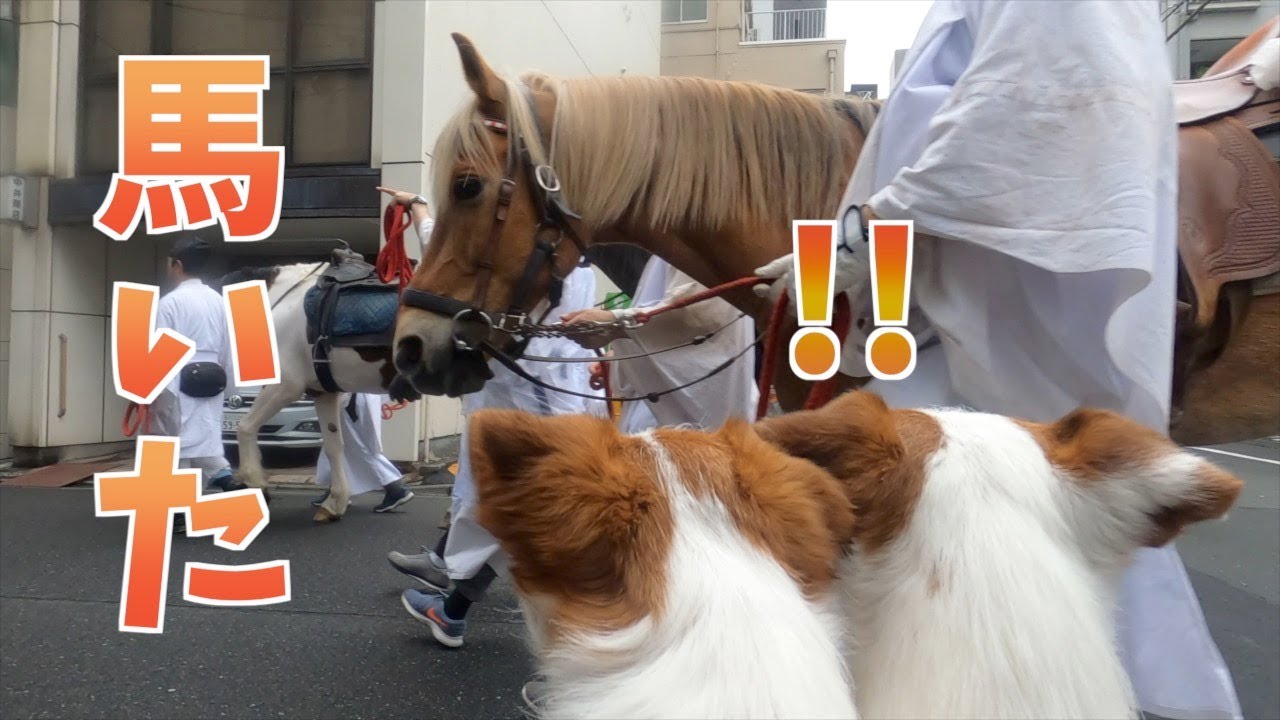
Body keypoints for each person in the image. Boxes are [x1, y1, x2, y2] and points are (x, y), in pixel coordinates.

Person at [755, 2, 1239, 718]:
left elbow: (1022, 107)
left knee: (994, 537)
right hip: (952, 309)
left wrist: (863, 236)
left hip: (1006, 320)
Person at [377, 186, 605, 648]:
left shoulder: (533, 258)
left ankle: (458, 607)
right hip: (530, 396)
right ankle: (445, 575)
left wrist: (419, 208)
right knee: (486, 496)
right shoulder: (570, 258)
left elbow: (459, 259)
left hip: (529, 402)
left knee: (509, 507)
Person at [562, 255, 759, 434]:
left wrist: (615, 323)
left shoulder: (698, 238)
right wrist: (621, 360)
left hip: (695, 421)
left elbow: (697, 315)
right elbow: (660, 318)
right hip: (653, 414)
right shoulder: (660, 256)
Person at [151, 235, 236, 533]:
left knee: (177, 444)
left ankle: (180, 512)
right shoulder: (218, 300)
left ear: (177, 265)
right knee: (204, 438)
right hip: (213, 376)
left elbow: (162, 351)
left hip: (180, 377)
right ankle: (226, 482)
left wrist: (153, 391)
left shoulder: (170, 302)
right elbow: (228, 346)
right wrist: (226, 382)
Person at [309, 393, 414, 513]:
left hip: (347, 399)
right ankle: (338, 490)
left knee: (354, 445)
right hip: (360, 398)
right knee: (342, 445)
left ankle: (395, 488)